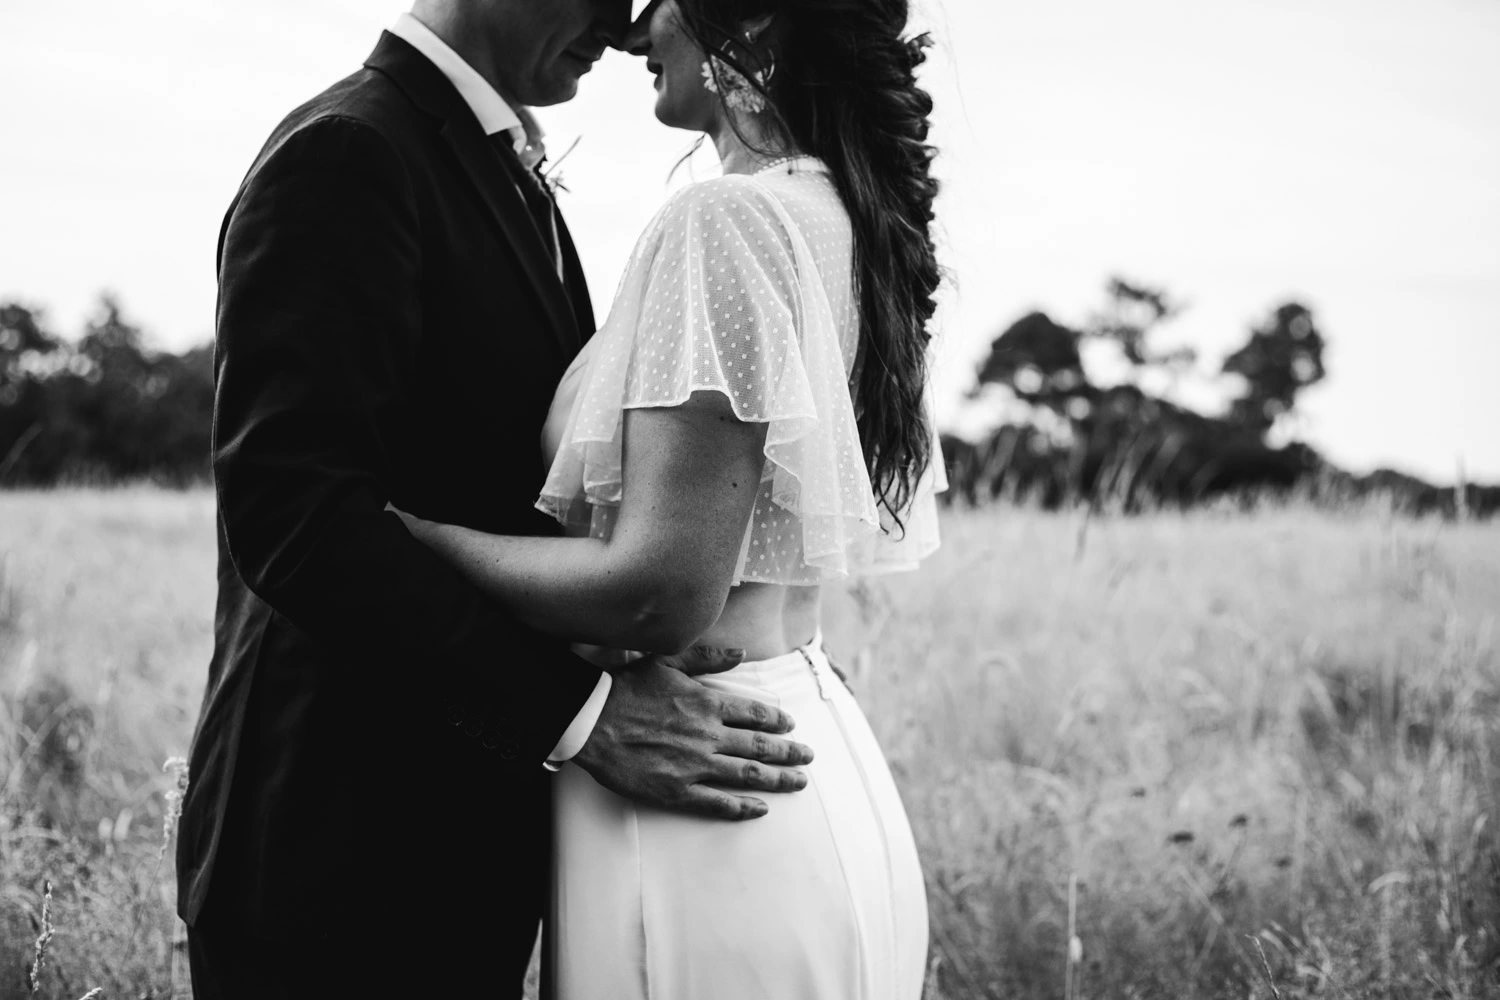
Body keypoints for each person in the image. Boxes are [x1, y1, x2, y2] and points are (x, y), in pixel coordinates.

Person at [175, 1, 816, 996]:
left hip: (462, 833)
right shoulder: (349, 152)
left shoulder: (501, 166)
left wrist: (630, 623)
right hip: (333, 856)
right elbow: (295, 519)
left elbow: (499, 476)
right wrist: (580, 712)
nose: (622, 26)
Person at [392, 0, 947, 995]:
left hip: (698, 780)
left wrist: (419, 540)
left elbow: (658, 591)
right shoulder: (851, 214)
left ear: (760, 20)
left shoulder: (727, 221)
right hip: (801, 744)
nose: (638, 23)